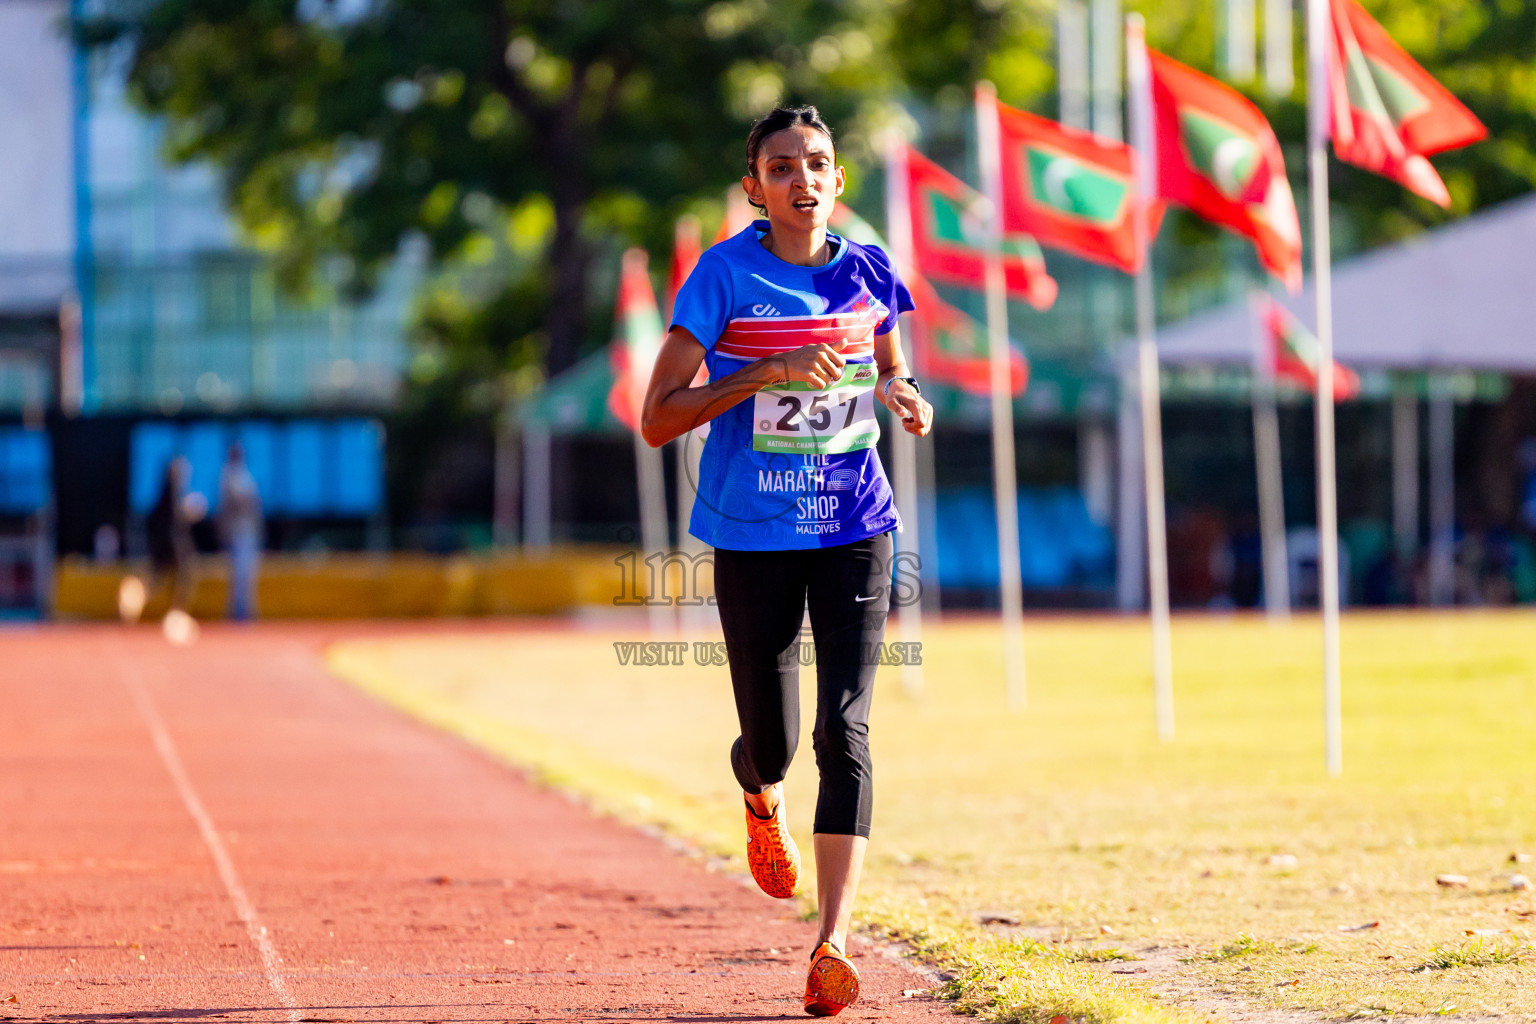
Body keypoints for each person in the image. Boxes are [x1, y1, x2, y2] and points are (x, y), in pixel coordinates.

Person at [641, 106, 933, 1017]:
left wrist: (902, 390)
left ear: (839, 180)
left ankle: (832, 943)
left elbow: (890, 361)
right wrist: (761, 374)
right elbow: (658, 416)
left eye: (817, 163)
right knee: (771, 741)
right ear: (753, 186)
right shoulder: (723, 277)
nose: (802, 178)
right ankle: (757, 794)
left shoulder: (869, 267)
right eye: (781, 165)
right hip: (752, 533)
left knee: (843, 735)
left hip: (855, 524)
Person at [144, 456, 204, 639]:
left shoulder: (172, 492)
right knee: (177, 580)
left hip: (170, 545)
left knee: (177, 580)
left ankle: (174, 617)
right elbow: (171, 521)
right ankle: (137, 594)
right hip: (170, 545)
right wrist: (188, 512)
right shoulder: (171, 492)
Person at [218, 442, 264, 621]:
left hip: (249, 530)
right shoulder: (228, 475)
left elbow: (255, 507)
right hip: (236, 530)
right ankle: (237, 613)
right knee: (238, 573)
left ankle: (247, 611)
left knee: (249, 573)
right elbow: (230, 505)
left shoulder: (246, 475)